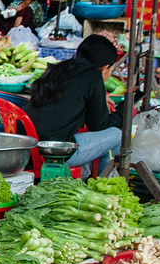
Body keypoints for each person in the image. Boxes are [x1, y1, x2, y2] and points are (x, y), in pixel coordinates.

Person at [22, 34, 125, 171]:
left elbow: (69, 100)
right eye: (111, 70)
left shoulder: (62, 68)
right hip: (54, 151)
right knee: (117, 135)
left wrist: (98, 99)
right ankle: (104, 183)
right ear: (105, 67)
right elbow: (100, 125)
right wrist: (124, 113)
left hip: (28, 146)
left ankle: (91, 177)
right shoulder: (93, 75)